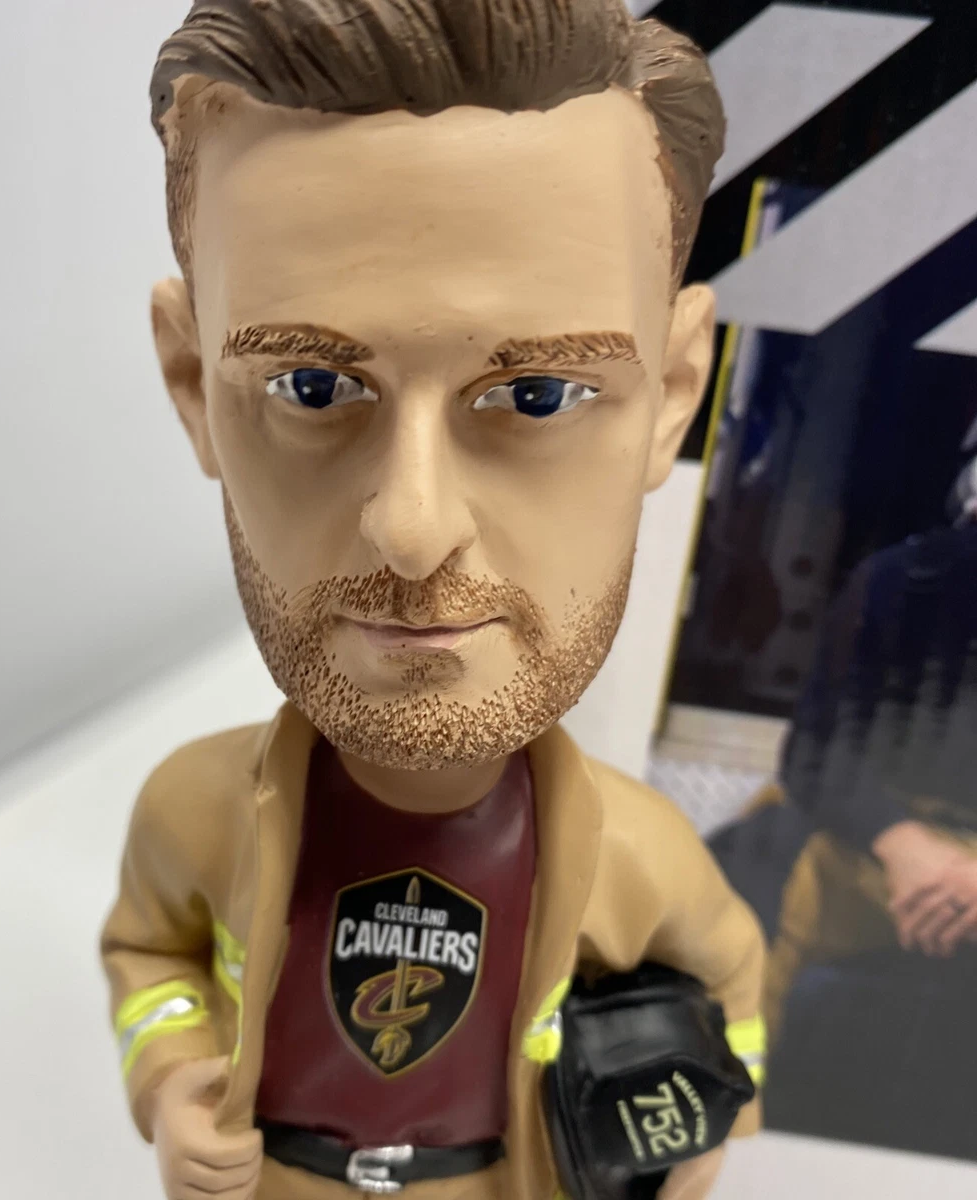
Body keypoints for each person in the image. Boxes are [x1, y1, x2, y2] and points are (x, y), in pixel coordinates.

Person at [100, 3, 767, 1197]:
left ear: (673, 395)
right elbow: (150, 956)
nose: (412, 529)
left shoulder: (644, 858)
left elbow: (733, 999)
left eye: (541, 394)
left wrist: (703, 1127)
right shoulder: (188, 814)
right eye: (313, 386)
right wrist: (173, 1075)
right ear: (194, 383)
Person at [760, 450, 977, 1036]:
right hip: (877, 845)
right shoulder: (897, 580)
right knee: (753, 893)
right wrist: (903, 844)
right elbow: (815, 752)